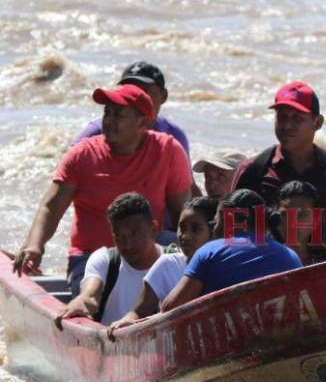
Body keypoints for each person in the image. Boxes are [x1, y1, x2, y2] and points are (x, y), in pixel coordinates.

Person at [12, 84, 192, 296]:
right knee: (95, 299)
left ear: (142, 121)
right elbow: (51, 207)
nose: (108, 121)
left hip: (149, 250)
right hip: (92, 258)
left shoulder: (169, 151)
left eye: (118, 115)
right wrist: (35, 246)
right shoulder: (82, 155)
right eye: (107, 113)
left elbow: (183, 214)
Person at [230, 81, 326, 219]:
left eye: (297, 118)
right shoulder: (252, 171)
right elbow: (229, 230)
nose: (287, 126)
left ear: (318, 123)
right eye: (282, 117)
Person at [161, 189, 302, 312]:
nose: (214, 230)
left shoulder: (208, 252)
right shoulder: (291, 256)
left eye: (214, 223)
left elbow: (169, 307)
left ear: (225, 221)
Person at [110, 196, 219, 329]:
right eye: (182, 227)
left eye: (195, 229)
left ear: (214, 232)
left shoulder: (226, 265)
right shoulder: (167, 264)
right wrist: (126, 321)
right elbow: (139, 312)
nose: (185, 236)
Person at [54, 193, 162, 327]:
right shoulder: (105, 260)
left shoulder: (176, 262)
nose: (127, 244)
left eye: (135, 234)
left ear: (154, 229)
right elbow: (90, 296)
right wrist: (80, 303)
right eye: (119, 236)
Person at [73, 61, 190, 156]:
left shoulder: (174, 137)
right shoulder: (95, 133)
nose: (135, 98)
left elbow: (187, 184)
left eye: (143, 91)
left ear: (163, 96)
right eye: (129, 90)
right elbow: (65, 173)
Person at [273, 181, 326, 265]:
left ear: (316, 220)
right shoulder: (265, 260)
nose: (293, 222)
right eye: (286, 214)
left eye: (302, 215)